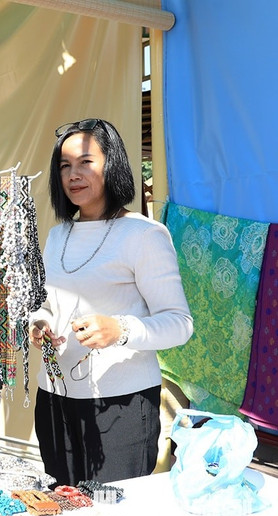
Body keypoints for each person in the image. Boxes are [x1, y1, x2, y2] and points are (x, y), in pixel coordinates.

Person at [28, 118, 193, 486]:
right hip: (54, 398)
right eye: (65, 165)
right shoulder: (57, 235)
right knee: (64, 511)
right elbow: (47, 304)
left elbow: (180, 323)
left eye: (86, 162)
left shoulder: (145, 234)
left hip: (121, 405)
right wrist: (38, 324)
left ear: (112, 163)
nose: (74, 174)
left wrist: (120, 329)